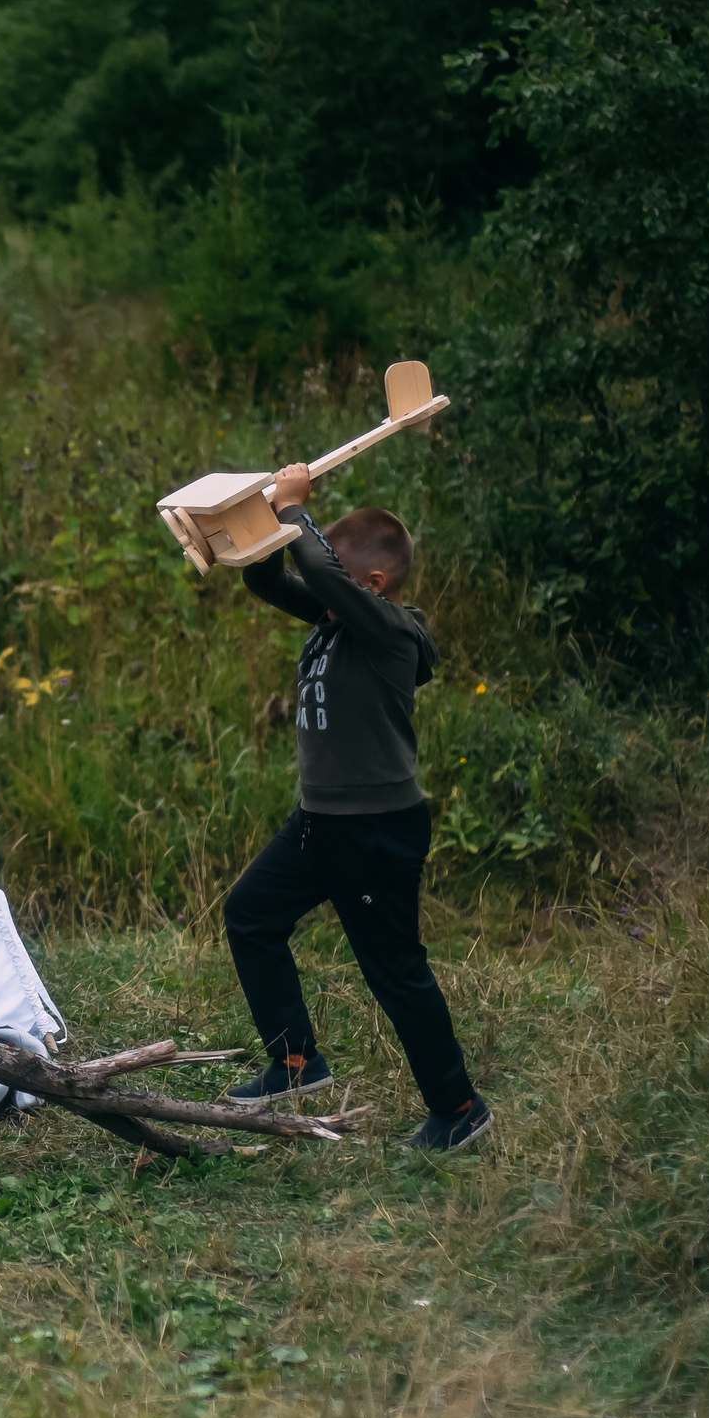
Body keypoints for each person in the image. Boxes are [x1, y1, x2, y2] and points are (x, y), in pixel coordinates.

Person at [220, 462, 491, 1151]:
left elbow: (314, 564)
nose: (323, 586)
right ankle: (295, 1061)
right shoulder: (338, 615)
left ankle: (459, 1107)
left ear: (371, 585)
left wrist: (294, 508)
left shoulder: (390, 631)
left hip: (375, 830)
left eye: (337, 575)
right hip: (321, 822)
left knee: (395, 972)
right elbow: (265, 576)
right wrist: (253, 518)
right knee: (252, 913)